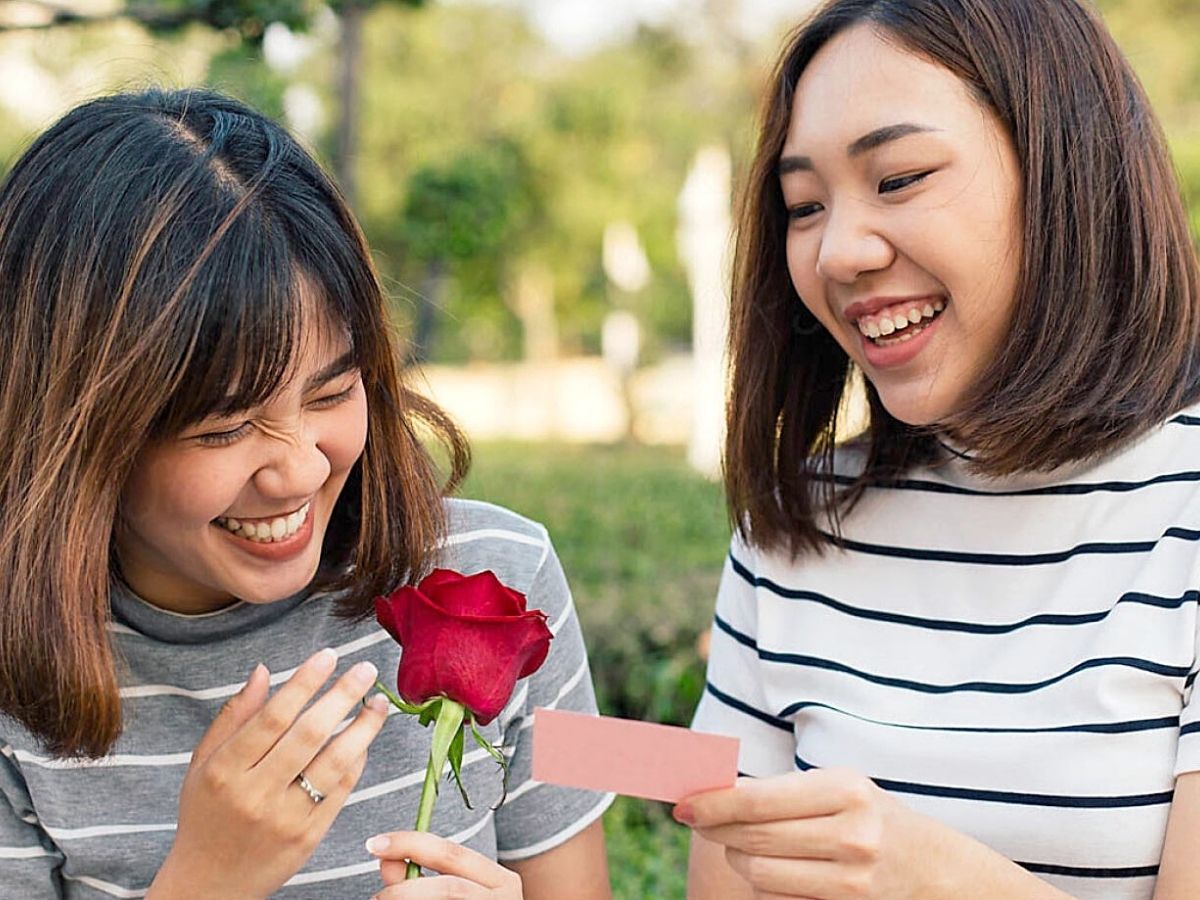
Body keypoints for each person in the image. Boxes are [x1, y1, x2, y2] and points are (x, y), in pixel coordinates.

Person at [0, 88, 613, 899]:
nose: (299, 470)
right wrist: (208, 880)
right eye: (223, 428)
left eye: (329, 395)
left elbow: (661, 779)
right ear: (77, 427)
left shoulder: (501, 582)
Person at [681, 1, 1200, 898]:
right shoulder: (797, 523)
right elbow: (706, 848)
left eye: (899, 178)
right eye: (803, 205)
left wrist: (932, 876)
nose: (839, 252)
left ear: (1066, 171)